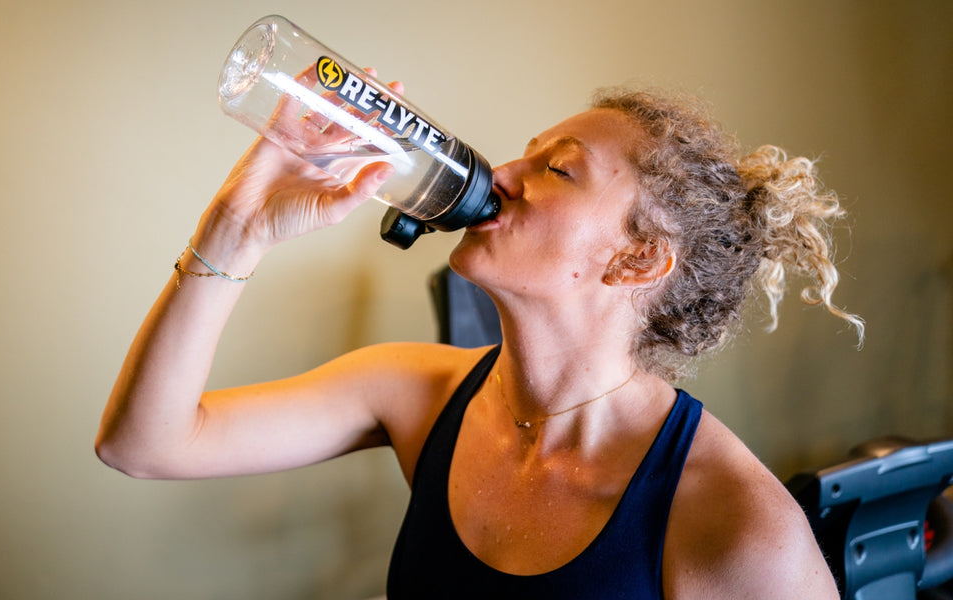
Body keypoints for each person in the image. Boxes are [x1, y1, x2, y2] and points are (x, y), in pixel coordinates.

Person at [95, 84, 864, 599]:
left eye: (557, 170)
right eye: (524, 154)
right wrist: (238, 228)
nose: (498, 174)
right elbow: (145, 444)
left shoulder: (736, 525)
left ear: (637, 259)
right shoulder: (415, 392)